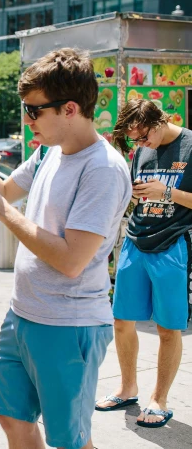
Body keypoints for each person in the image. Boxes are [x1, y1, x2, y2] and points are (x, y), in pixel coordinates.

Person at [0, 48, 131, 449]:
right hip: (22, 313)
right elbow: (1, 192)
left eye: (34, 111)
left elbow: (72, 260)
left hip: (70, 324)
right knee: (11, 417)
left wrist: (4, 213)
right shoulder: (48, 150)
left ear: (69, 108)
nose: (27, 119)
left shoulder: (102, 169)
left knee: (69, 440)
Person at [95, 98, 191, 427]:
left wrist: (167, 193)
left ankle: (159, 400)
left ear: (158, 120)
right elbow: (141, 192)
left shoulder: (190, 145)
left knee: (168, 328)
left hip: (173, 245)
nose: (140, 143)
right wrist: (136, 194)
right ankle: (127, 388)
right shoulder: (141, 150)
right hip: (137, 241)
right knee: (121, 321)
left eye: (142, 136)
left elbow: (172, 195)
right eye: (134, 140)